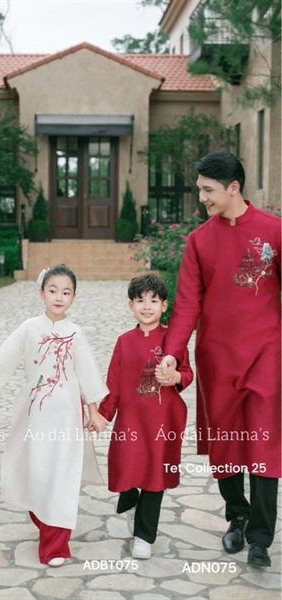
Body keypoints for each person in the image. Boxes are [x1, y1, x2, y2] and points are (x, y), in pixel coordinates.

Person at [160, 151, 281, 568]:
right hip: (217, 358)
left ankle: (261, 537)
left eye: (208, 190)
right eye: (200, 190)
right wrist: (172, 354)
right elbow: (186, 304)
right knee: (226, 442)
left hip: (266, 353)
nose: (202, 198)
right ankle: (237, 516)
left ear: (233, 188)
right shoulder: (199, 240)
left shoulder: (274, 231)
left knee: (264, 441)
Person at [0, 264, 108, 567]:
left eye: (66, 292)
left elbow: (87, 373)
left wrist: (94, 412)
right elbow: (4, 357)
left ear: (74, 297)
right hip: (34, 413)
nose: (59, 297)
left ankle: (55, 546)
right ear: (41, 293)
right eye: (53, 290)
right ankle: (43, 516)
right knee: (36, 469)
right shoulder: (29, 327)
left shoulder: (75, 333)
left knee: (62, 474)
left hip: (66, 415)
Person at [98, 274, 193, 559]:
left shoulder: (173, 340)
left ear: (164, 305)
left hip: (163, 420)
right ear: (131, 305)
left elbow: (186, 373)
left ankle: (144, 536)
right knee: (125, 466)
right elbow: (113, 384)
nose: (147, 306)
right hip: (131, 420)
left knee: (155, 476)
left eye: (154, 300)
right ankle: (130, 504)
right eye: (140, 300)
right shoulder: (124, 342)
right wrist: (103, 415)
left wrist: (176, 376)